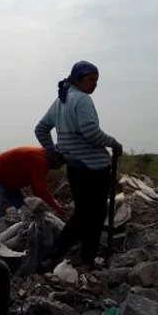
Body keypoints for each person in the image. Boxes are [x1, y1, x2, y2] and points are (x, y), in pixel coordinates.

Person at [34, 61, 122, 266]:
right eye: (91, 79)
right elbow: (91, 133)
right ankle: (76, 257)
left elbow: (41, 129)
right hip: (94, 169)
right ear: (79, 79)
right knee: (92, 216)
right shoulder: (82, 100)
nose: (95, 85)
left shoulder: (60, 101)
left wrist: (55, 152)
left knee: (84, 213)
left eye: (97, 81)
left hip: (75, 168)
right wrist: (113, 143)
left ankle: (66, 255)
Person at [0, 146, 65, 223]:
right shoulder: (40, 160)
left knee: (23, 209)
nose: (59, 167)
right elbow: (40, 190)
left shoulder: (42, 158)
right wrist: (56, 208)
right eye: (61, 163)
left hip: (10, 182)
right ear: (56, 158)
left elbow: (36, 188)